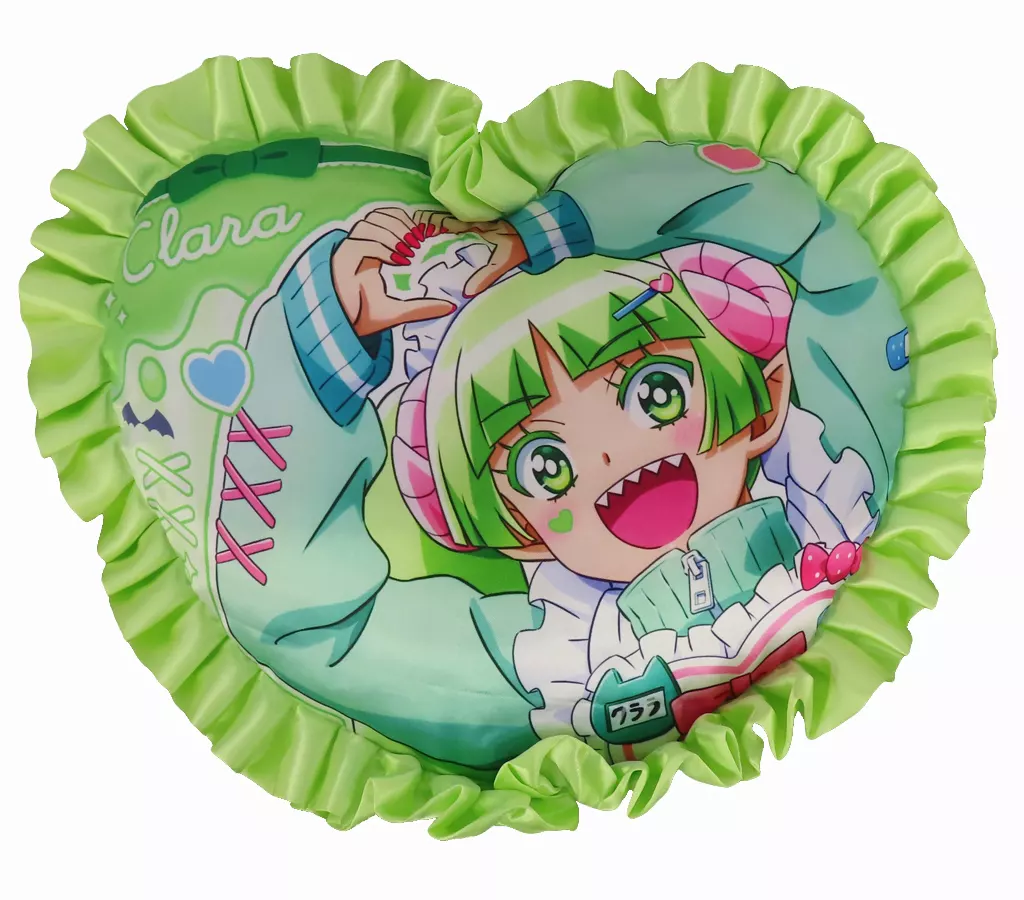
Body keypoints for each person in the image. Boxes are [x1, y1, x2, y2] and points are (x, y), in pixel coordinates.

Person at [211, 141, 908, 768]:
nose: (608, 454)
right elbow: (302, 624)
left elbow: (819, 235)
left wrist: (549, 232)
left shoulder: (837, 479)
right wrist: (323, 340)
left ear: (766, 396)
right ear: (518, 533)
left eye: (656, 393)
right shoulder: (540, 658)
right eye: (545, 465)